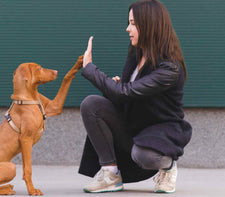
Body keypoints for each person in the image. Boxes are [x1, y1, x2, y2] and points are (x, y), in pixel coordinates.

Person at [77, 0, 192, 193]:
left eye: (133, 23)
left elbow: (127, 93)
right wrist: (117, 86)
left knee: (143, 155)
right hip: (134, 126)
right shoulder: (136, 55)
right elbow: (126, 93)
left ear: (149, 25)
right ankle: (110, 174)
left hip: (159, 135)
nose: (127, 28)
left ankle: (168, 167)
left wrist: (90, 68)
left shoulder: (169, 68)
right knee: (91, 104)